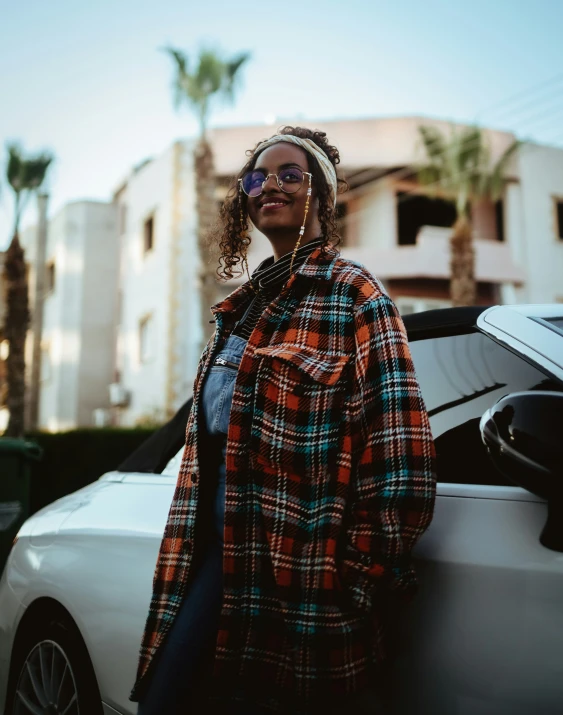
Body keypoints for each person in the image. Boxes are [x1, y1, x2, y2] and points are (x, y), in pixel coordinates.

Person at [130, 126, 437, 714]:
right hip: (212, 562)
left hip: (303, 583)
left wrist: (354, 580)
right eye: (257, 176)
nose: (269, 184)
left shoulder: (356, 296)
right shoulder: (237, 312)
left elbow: (403, 461)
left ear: (320, 195)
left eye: (289, 174)